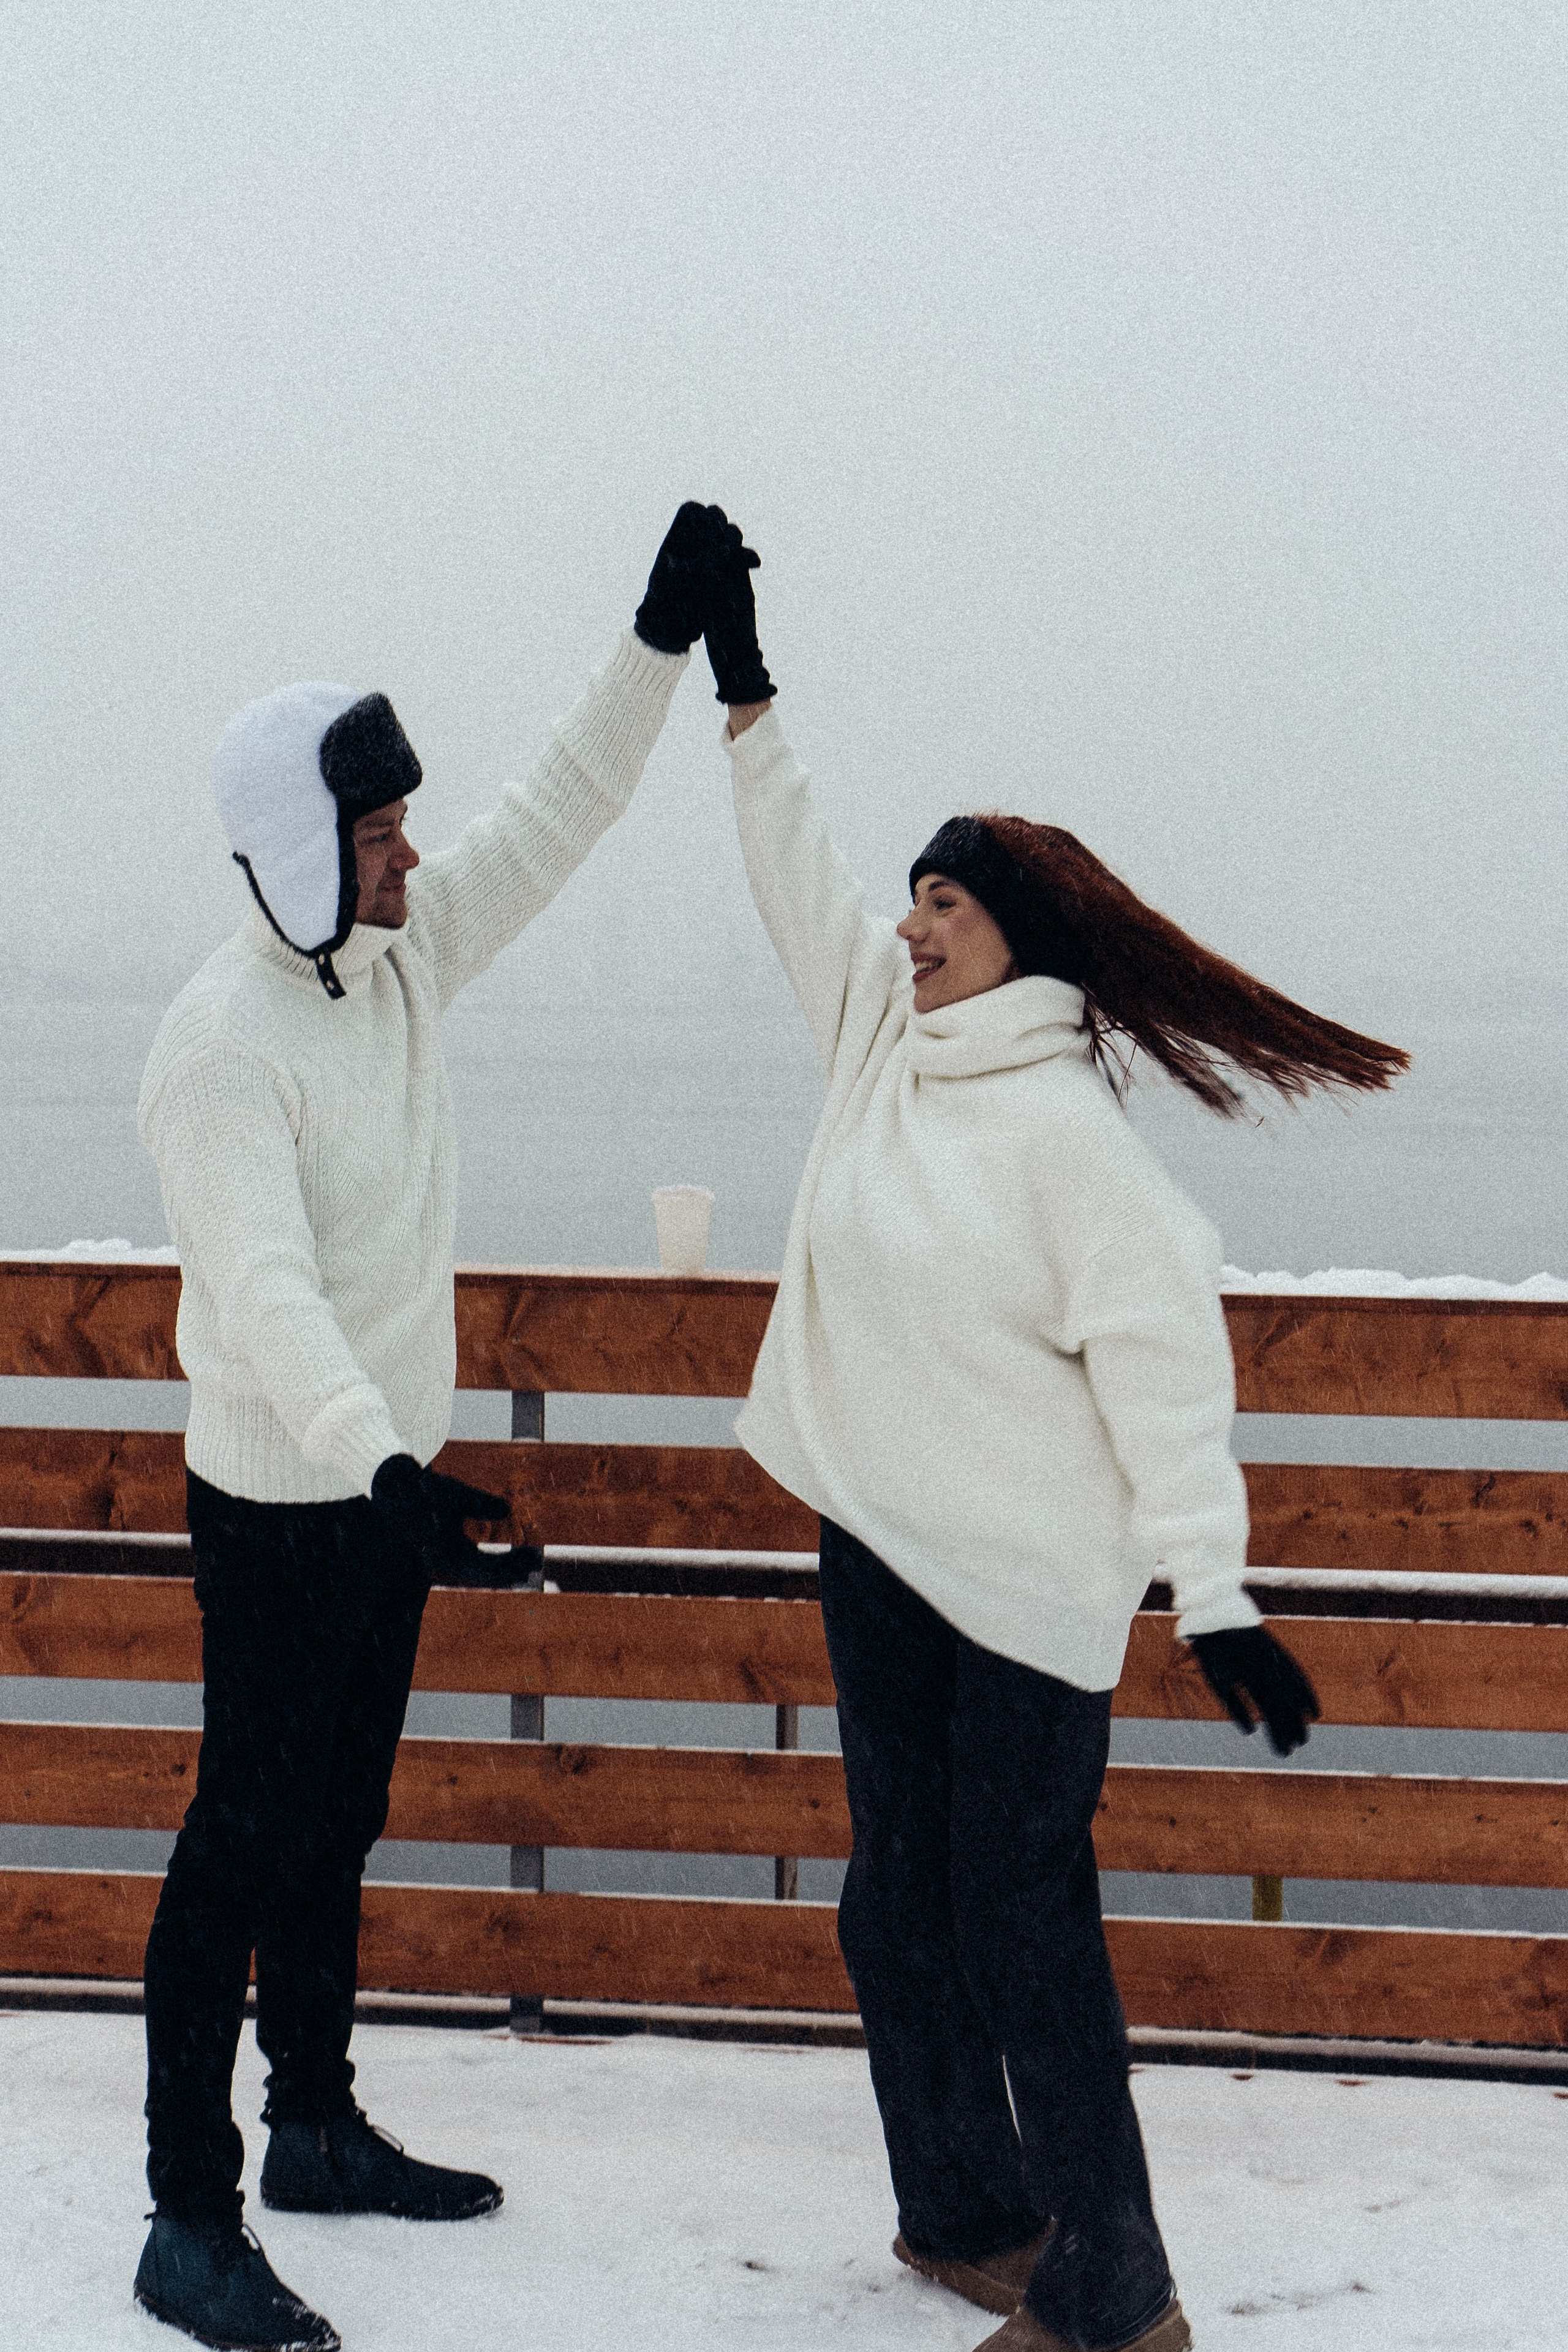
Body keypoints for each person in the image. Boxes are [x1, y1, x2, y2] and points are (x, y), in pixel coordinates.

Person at [699, 532, 1406, 2352]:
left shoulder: (1075, 1146)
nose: (910, 921)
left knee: (1025, 1929)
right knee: (893, 1911)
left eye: (946, 903)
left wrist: (1217, 1592)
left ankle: (1119, 2288)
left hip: (1023, 1595)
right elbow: (791, 872)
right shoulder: (880, 1035)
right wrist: (746, 686)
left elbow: (1168, 1363)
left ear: (1020, 940)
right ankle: (965, 2209)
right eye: (915, 895)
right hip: (881, 1546)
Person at [130, 505, 736, 2352]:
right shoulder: (221, 1049)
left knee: (343, 1821)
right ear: (302, 854)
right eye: (379, 835)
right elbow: (264, 1291)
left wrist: (655, 641)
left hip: (385, 1495)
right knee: (239, 1839)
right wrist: (379, 1460)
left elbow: (556, 813)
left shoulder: (390, 962)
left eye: (401, 831)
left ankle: (312, 2123)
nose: (412, 858)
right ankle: (186, 2215)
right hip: (283, 1500)